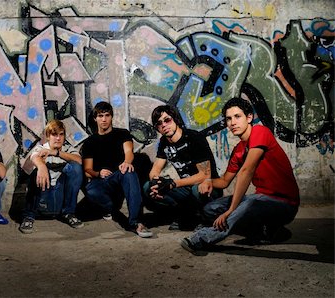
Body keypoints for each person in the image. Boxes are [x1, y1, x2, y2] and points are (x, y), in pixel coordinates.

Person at [180, 97, 300, 253]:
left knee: (248, 205)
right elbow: (224, 181)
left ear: (249, 117)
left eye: (237, 116)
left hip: (284, 204)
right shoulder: (238, 150)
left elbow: (246, 171)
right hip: (260, 200)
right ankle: (264, 230)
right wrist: (208, 181)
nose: (232, 122)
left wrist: (231, 210)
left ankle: (201, 239)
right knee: (211, 208)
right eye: (229, 119)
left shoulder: (260, 132)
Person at [144, 105, 222, 230]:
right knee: (147, 187)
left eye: (167, 120)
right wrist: (155, 183)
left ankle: (206, 218)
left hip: (208, 187)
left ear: (175, 119)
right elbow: (155, 170)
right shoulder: (164, 142)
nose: (163, 125)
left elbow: (204, 175)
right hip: (186, 188)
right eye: (159, 123)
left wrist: (173, 184)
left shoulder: (193, 138)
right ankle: (185, 215)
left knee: (198, 189)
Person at [81, 101, 153, 238]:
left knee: (129, 171)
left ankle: (136, 222)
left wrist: (126, 163)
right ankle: (110, 209)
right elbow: (87, 169)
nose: (104, 119)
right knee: (91, 189)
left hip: (120, 175)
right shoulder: (90, 142)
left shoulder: (122, 134)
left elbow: (129, 152)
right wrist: (98, 173)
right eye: (100, 116)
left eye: (107, 115)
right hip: (103, 181)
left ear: (111, 117)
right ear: (95, 118)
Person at [19, 120, 84, 233]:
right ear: (48, 136)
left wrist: (55, 153)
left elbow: (79, 160)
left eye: (61, 134)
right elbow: (34, 157)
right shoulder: (41, 148)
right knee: (36, 172)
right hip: (43, 200)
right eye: (54, 134)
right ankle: (29, 216)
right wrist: (41, 166)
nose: (58, 138)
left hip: (60, 200)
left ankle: (69, 213)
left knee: (76, 168)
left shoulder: (67, 149)